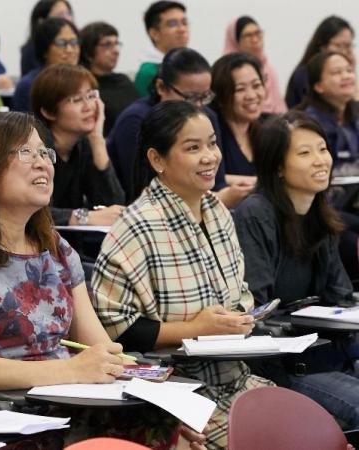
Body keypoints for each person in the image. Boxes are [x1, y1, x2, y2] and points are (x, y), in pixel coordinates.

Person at [0, 112, 203, 449]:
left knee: (167, 432)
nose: (43, 163)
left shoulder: (56, 249)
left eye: (44, 152)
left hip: (65, 407)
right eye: (25, 152)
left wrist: (161, 408)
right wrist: (72, 370)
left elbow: (99, 351)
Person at [91, 100, 273, 450]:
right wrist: (195, 329)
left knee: (308, 432)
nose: (210, 157)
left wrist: (239, 318)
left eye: (212, 143)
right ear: (157, 159)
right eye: (193, 148)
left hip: (237, 378)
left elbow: (240, 294)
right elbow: (116, 329)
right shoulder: (137, 225)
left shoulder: (218, 211)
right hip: (174, 392)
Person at [232, 112, 359, 429]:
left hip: (330, 353)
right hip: (287, 365)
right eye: (304, 153)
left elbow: (341, 297)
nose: (320, 160)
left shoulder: (319, 213)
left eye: (322, 149)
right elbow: (256, 313)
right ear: (278, 166)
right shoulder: (255, 214)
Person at [108, 47, 249, 208]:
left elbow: (217, 182)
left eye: (205, 96)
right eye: (191, 97)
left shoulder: (207, 116)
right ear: (161, 87)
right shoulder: (136, 120)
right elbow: (140, 189)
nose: (199, 106)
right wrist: (217, 200)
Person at [30, 64, 125, 227]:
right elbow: (32, 211)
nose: (88, 107)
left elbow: (111, 207)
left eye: (90, 96)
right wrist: (84, 217)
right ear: (48, 111)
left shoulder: (83, 145)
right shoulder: (34, 150)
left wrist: (97, 139)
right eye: (77, 100)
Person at [210, 52, 267, 187]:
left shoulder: (267, 127)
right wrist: (262, 183)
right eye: (240, 89)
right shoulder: (211, 131)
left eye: (256, 85)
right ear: (221, 95)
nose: (251, 96)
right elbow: (209, 176)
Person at [298, 51, 359, 174]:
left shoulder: (354, 112)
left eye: (349, 70)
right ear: (318, 86)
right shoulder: (309, 122)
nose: (346, 76)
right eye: (336, 72)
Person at [79, 21, 139, 136]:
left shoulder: (123, 80)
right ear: (88, 53)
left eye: (116, 43)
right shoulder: (86, 88)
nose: (116, 51)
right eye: (107, 45)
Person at [286, 16, 355, 109]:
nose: (347, 51)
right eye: (341, 45)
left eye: (350, 46)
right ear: (322, 46)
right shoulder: (305, 74)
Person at [12, 17, 79, 112]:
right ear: (45, 50)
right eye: (61, 43)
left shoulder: (84, 81)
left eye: (74, 42)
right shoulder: (30, 85)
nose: (69, 50)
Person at [222, 16, 286, 114]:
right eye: (248, 35)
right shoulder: (225, 71)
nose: (255, 40)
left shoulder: (269, 70)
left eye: (258, 33)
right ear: (235, 40)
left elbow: (279, 107)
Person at [134, 1, 189, 97]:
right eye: (172, 24)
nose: (182, 29)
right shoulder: (149, 72)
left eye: (184, 23)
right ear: (154, 33)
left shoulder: (193, 64)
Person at [20, 0, 74, 76]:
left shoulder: (76, 44)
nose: (67, 18)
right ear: (41, 21)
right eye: (60, 14)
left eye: (68, 13)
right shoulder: (32, 50)